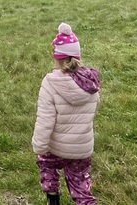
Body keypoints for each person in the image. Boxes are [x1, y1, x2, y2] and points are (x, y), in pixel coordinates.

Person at [32, 23, 100, 205]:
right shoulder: (91, 82)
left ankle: (52, 198)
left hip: (55, 146)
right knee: (80, 181)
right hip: (81, 148)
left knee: (46, 163)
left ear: (56, 57)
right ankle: (85, 201)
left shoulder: (50, 82)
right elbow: (94, 108)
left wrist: (39, 146)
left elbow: (45, 119)